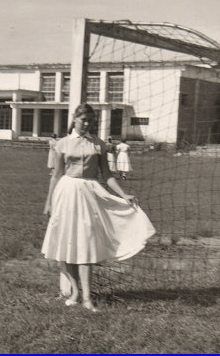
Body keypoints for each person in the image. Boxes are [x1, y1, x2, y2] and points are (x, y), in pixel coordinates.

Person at [42, 104, 155, 312]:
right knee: (65, 244)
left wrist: (123, 195)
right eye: (83, 119)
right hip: (66, 193)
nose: (86, 124)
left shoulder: (98, 145)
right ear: (75, 119)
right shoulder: (62, 144)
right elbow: (56, 175)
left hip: (89, 195)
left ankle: (87, 298)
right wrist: (49, 202)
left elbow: (108, 175)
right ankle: (74, 292)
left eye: (90, 121)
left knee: (86, 244)